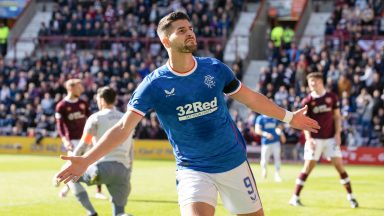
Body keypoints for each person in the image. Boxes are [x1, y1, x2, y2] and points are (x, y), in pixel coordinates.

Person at [56, 11, 320, 216]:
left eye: (191, 29)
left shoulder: (214, 69)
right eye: (181, 30)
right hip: (193, 169)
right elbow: (124, 128)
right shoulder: (153, 84)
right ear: (165, 40)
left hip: (233, 163)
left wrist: (289, 117)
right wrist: (86, 159)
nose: (190, 33)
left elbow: (251, 98)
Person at [288, 72, 359, 208]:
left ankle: (351, 198)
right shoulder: (307, 101)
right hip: (315, 139)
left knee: (340, 167)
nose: (311, 84)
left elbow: (337, 117)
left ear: (320, 81)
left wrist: (338, 134)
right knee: (307, 168)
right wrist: (309, 139)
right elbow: (304, 122)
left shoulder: (332, 97)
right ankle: (294, 197)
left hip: (330, 139)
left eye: (313, 81)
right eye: (310, 83)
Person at [66, 86, 134, 216]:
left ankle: (91, 212)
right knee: (119, 213)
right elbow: (131, 147)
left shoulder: (95, 118)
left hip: (102, 167)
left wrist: (72, 162)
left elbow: (84, 144)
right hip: (123, 170)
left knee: (70, 177)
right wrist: (129, 171)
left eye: (97, 99)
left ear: (102, 100)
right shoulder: (126, 118)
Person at [54, 79, 106, 199]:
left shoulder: (83, 103)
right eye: (78, 87)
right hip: (72, 141)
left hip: (86, 139)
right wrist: (65, 140)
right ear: (70, 88)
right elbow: (60, 125)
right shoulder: (61, 106)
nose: (81, 89)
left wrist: (93, 136)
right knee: (74, 166)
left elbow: (91, 120)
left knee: (96, 162)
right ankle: (66, 185)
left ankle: (98, 191)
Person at [255, 113, 286, 182]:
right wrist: (265, 134)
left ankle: (277, 175)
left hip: (276, 141)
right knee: (264, 159)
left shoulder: (274, 117)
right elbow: (257, 130)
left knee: (277, 158)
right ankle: (264, 171)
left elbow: (279, 127)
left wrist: (280, 132)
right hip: (266, 142)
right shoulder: (260, 118)